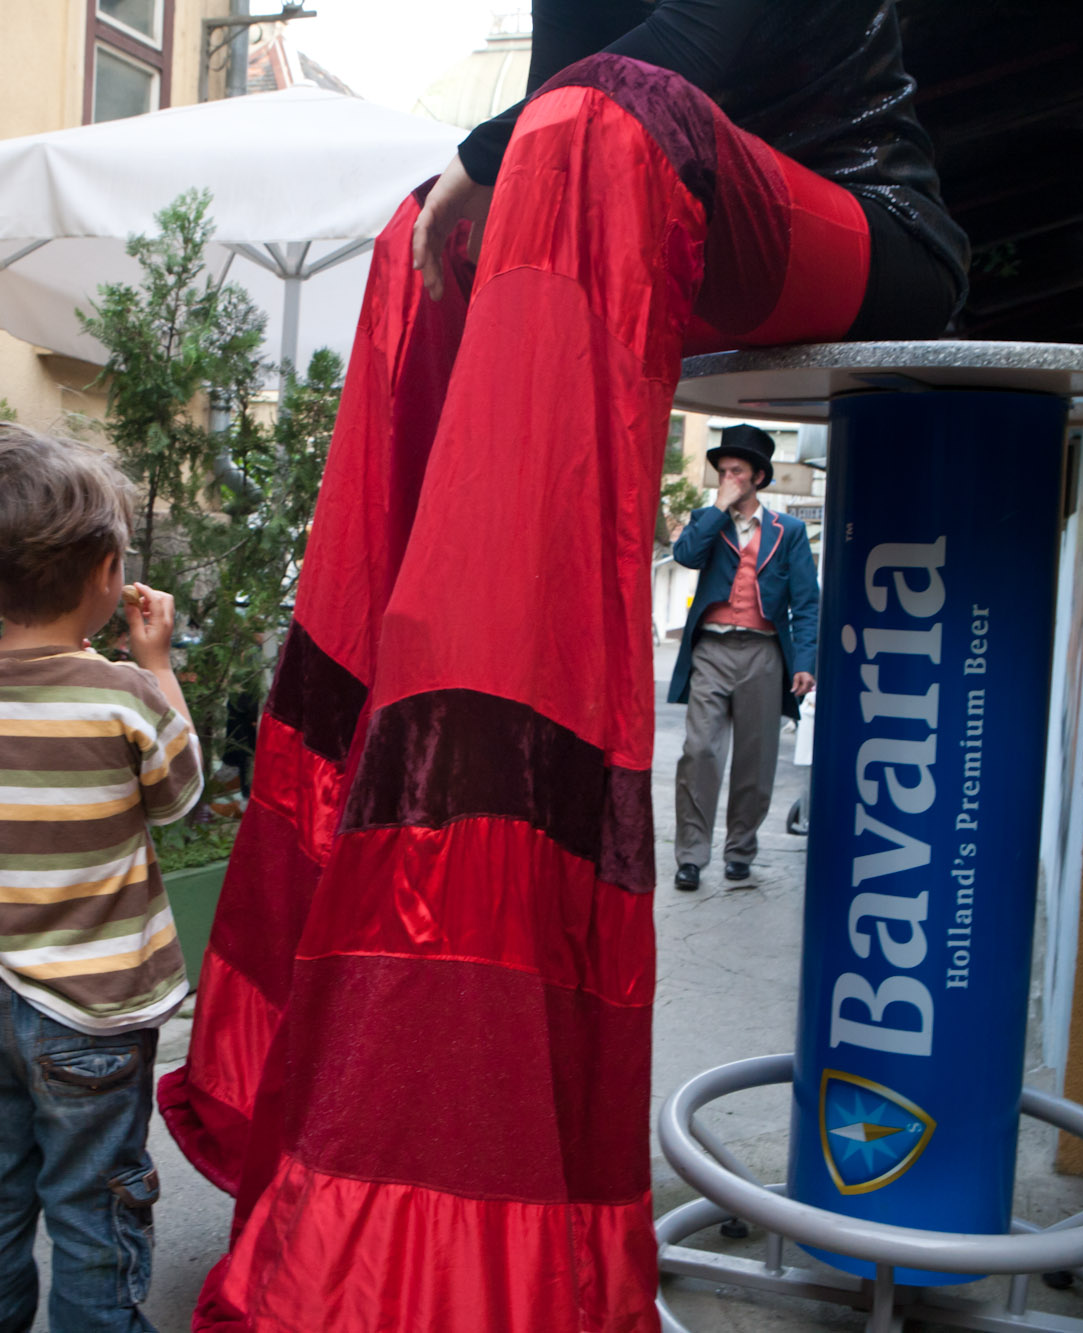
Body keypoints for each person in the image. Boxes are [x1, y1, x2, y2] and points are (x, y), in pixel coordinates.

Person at [164, 3, 968, 1328]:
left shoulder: (633, 126)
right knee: (421, 234)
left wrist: (491, 150)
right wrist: (482, 169)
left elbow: (678, 55)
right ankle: (317, 1079)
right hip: (652, 186)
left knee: (585, 129)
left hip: (853, 219)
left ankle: (497, 919)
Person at [0, 424, 203, 1333]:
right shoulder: (121, 692)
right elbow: (179, 796)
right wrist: (156, 665)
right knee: (92, 1201)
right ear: (109, 572)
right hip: (94, 1011)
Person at [667, 424, 820, 891]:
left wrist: (805, 661)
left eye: (736, 471)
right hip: (711, 650)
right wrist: (718, 507)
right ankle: (691, 856)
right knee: (699, 752)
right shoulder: (706, 520)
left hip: (763, 653)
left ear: (758, 477)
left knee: (757, 759)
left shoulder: (789, 531)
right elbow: (686, 556)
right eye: (722, 472)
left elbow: (806, 602)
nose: (728, 479)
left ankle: (740, 851)